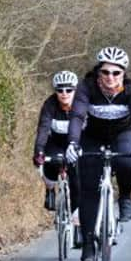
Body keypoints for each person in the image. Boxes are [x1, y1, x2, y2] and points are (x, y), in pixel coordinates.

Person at [66, 46, 131, 261]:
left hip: (123, 133)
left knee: (127, 162)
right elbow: (76, 116)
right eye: (105, 72)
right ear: (98, 72)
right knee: (89, 189)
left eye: (116, 72)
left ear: (123, 73)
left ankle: (125, 197)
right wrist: (73, 143)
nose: (110, 77)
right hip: (92, 136)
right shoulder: (86, 87)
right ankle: (88, 245)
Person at [33, 71, 80, 222]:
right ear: (55, 91)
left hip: (78, 142)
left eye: (69, 90)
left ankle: (76, 218)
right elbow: (43, 129)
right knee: (50, 165)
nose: (64, 93)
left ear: (75, 90)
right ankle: (50, 189)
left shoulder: (82, 104)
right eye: (60, 90)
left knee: (77, 179)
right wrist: (39, 151)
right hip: (56, 142)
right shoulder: (49, 105)